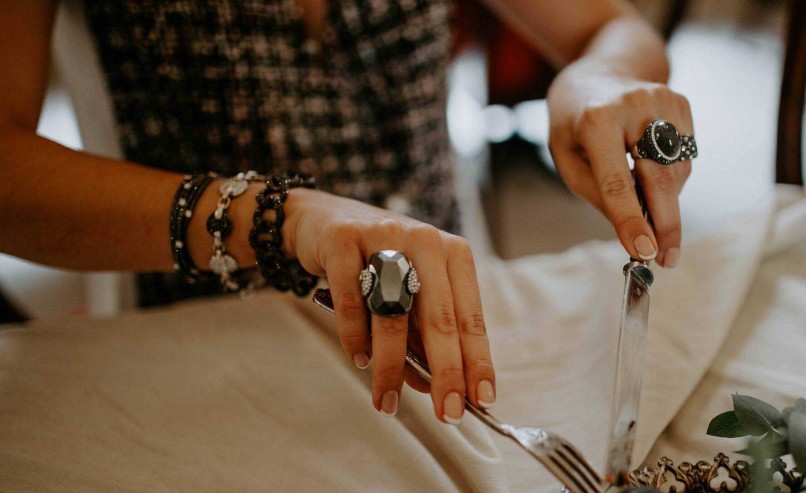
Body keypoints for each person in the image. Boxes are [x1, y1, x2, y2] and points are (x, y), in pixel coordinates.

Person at [0, 0, 694, 426]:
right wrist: (281, 221)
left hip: (448, 331)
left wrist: (597, 77)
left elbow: (606, 24)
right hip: (200, 355)